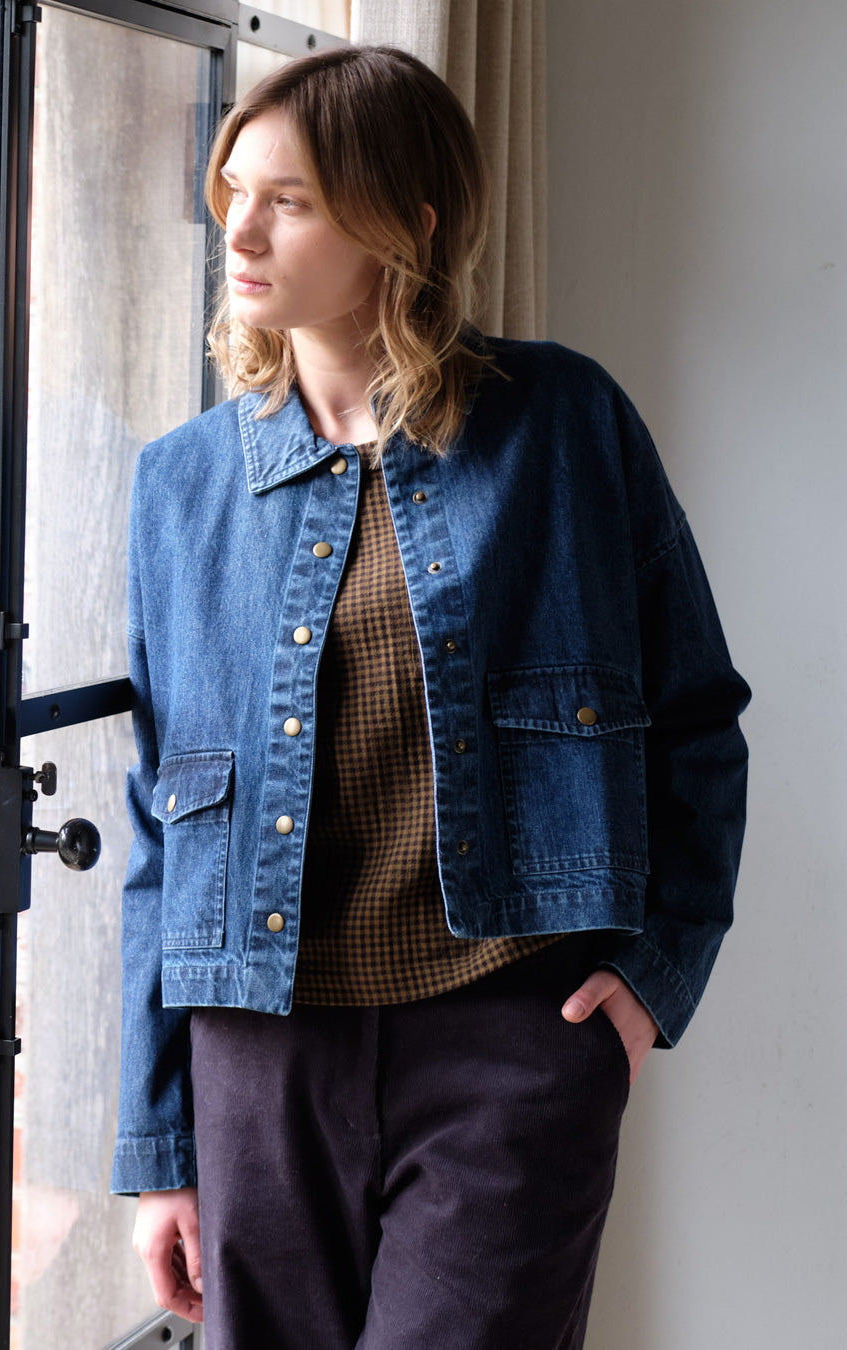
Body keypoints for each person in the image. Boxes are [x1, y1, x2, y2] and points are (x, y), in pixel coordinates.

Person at [112, 44, 749, 1349]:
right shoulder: (182, 483)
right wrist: (160, 1140)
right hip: (258, 1061)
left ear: (407, 219)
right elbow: (156, 829)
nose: (238, 229)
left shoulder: (563, 425)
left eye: (289, 199)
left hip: (508, 1045)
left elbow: (696, 717)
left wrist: (652, 977)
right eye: (233, 191)